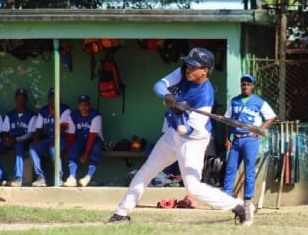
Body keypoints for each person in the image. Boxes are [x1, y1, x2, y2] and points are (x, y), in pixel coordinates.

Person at [107, 47, 254, 226]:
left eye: (193, 67)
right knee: (146, 171)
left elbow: (188, 130)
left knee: (193, 187)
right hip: (172, 135)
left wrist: (180, 114)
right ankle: (122, 213)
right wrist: (168, 96)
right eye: (188, 65)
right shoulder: (184, 72)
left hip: (193, 142)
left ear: (205, 71)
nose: (188, 69)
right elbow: (159, 85)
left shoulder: (205, 97)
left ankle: (239, 206)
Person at [222, 74, 276, 212]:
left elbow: (271, 116)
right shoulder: (234, 101)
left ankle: (247, 199)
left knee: (249, 169)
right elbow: (227, 120)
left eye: (248, 84)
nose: (245, 86)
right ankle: (226, 198)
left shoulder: (258, 101)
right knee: (230, 168)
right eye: (243, 84)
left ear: (252, 86)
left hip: (250, 139)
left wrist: (258, 130)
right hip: (236, 139)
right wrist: (227, 138)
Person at [30, 88, 71, 187]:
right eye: (52, 98)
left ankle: (59, 178)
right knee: (33, 148)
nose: (55, 100)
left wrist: (56, 141)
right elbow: (39, 128)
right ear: (49, 99)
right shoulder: (43, 111)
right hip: (49, 138)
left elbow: (63, 128)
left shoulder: (65, 109)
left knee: (53, 148)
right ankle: (41, 177)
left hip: (63, 138)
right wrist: (36, 139)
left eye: (57, 98)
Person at [63, 95, 103, 187]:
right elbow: (71, 135)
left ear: (89, 105)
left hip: (95, 139)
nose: (83, 107)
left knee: (96, 148)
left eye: (86, 105)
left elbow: (92, 137)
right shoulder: (73, 116)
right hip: (80, 138)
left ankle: (88, 177)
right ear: (78, 106)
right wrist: (68, 151)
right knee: (74, 148)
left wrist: (86, 154)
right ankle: (72, 177)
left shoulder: (96, 116)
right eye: (81, 105)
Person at [1, 89, 37, 187]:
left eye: (22, 98)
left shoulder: (31, 115)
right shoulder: (10, 114)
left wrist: (16, 140)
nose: (20, 101)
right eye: (18, 98)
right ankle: (2, 177)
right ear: (15, 100)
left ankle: (18, 178)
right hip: (11, 141)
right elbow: (4, 130)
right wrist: (5, 139)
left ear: (25, 100)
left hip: (24, 142)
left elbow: (30, 134)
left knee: (19, 146)